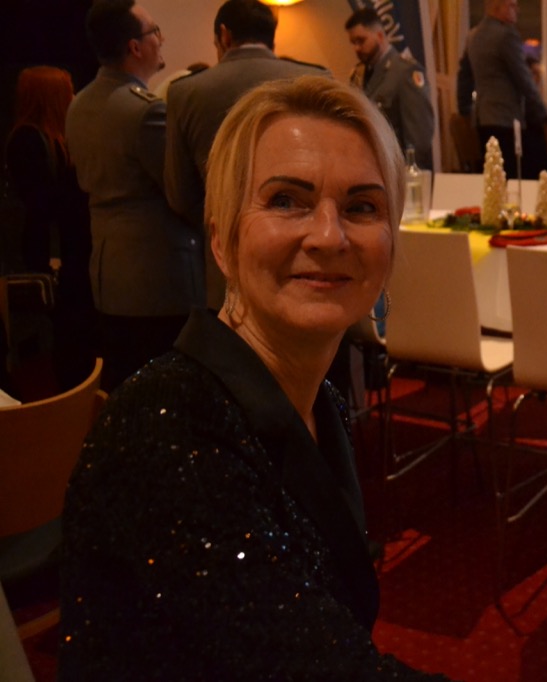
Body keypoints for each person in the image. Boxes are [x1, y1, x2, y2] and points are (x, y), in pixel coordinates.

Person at [60, 76, 449, 680]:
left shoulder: (320, 402)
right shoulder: (164, 429)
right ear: (221, 240)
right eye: (286, 200)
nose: (329, 236)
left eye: (361, 207)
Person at [65, 0, 204, 392]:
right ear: (135, 47)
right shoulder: (145, 112)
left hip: (108, 273)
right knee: (169, 393)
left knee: (127, 388)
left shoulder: (79, 105)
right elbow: (182, 194)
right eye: (154, 31)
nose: (162, 39)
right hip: (158, 278)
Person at [165, 0, 330, 309]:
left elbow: (180, 195)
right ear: (271, 34)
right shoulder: (317, 80)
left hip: (226, 262)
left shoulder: (186, 92)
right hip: (309, 257)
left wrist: (226, 219)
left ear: (224, 35)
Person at [4, 66, 94, 389]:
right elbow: (42, 204)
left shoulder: (47, 138)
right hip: (44, 255)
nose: (74, 97)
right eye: (67, 91)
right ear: (52, 97)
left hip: (56, 250)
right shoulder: (29, 140)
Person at [456, 0, 547, 179]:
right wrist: (542, 114)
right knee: (514, 176)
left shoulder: (473, 36)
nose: (517, 10)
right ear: (498, 7)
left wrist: (465, 111)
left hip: (483, 120)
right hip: (507, 120)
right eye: (512, 5)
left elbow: (464, 78)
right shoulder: (507, 35)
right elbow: (524, 79)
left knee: (493, 178)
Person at [346, 7, 435, 171]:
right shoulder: (358, 75)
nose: (356, 48)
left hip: (396, 170)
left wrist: (407, 173)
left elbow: (419, 137)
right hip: (368, 168)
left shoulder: (405, 72)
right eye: (353, 43)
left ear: (380, 36)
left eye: (361, 40)